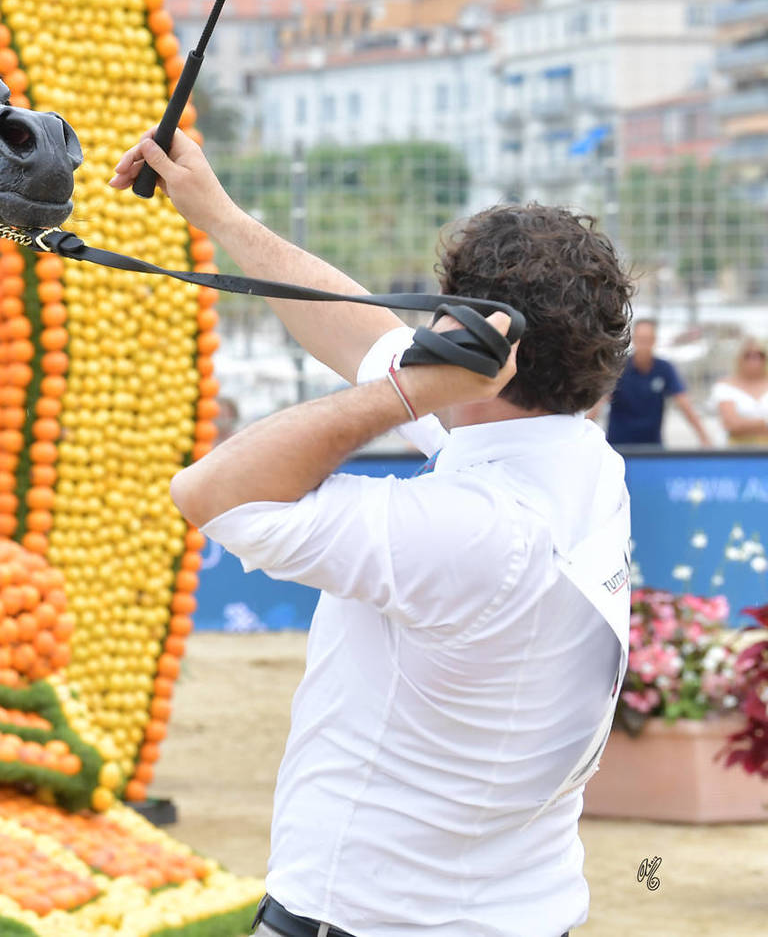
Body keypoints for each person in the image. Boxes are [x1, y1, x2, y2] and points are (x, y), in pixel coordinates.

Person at [111, 129, 633, 937]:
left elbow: (213, 492)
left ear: (471, 331)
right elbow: (357, 332)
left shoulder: (479, 531)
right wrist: (218, 214)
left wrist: (409, 389)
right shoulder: (580, 461)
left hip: (368, 919)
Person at [602, 318, 710, 448]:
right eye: (641, 339)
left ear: (654, 341)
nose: (644, 345)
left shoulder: (664, 369)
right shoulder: (619, 368)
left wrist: (704, 438)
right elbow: (600, 400)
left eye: (648, 340)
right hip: (618, 447)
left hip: (652, 447)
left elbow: (683, 403)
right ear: (634, 340)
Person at [711, 336, 768, 447]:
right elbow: (731, 424)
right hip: (736, 453)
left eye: (759, 356)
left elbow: (736, 425)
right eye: (748, 355)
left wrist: (744, 425)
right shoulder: (725, 386)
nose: (754, 360)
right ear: (739, 359)